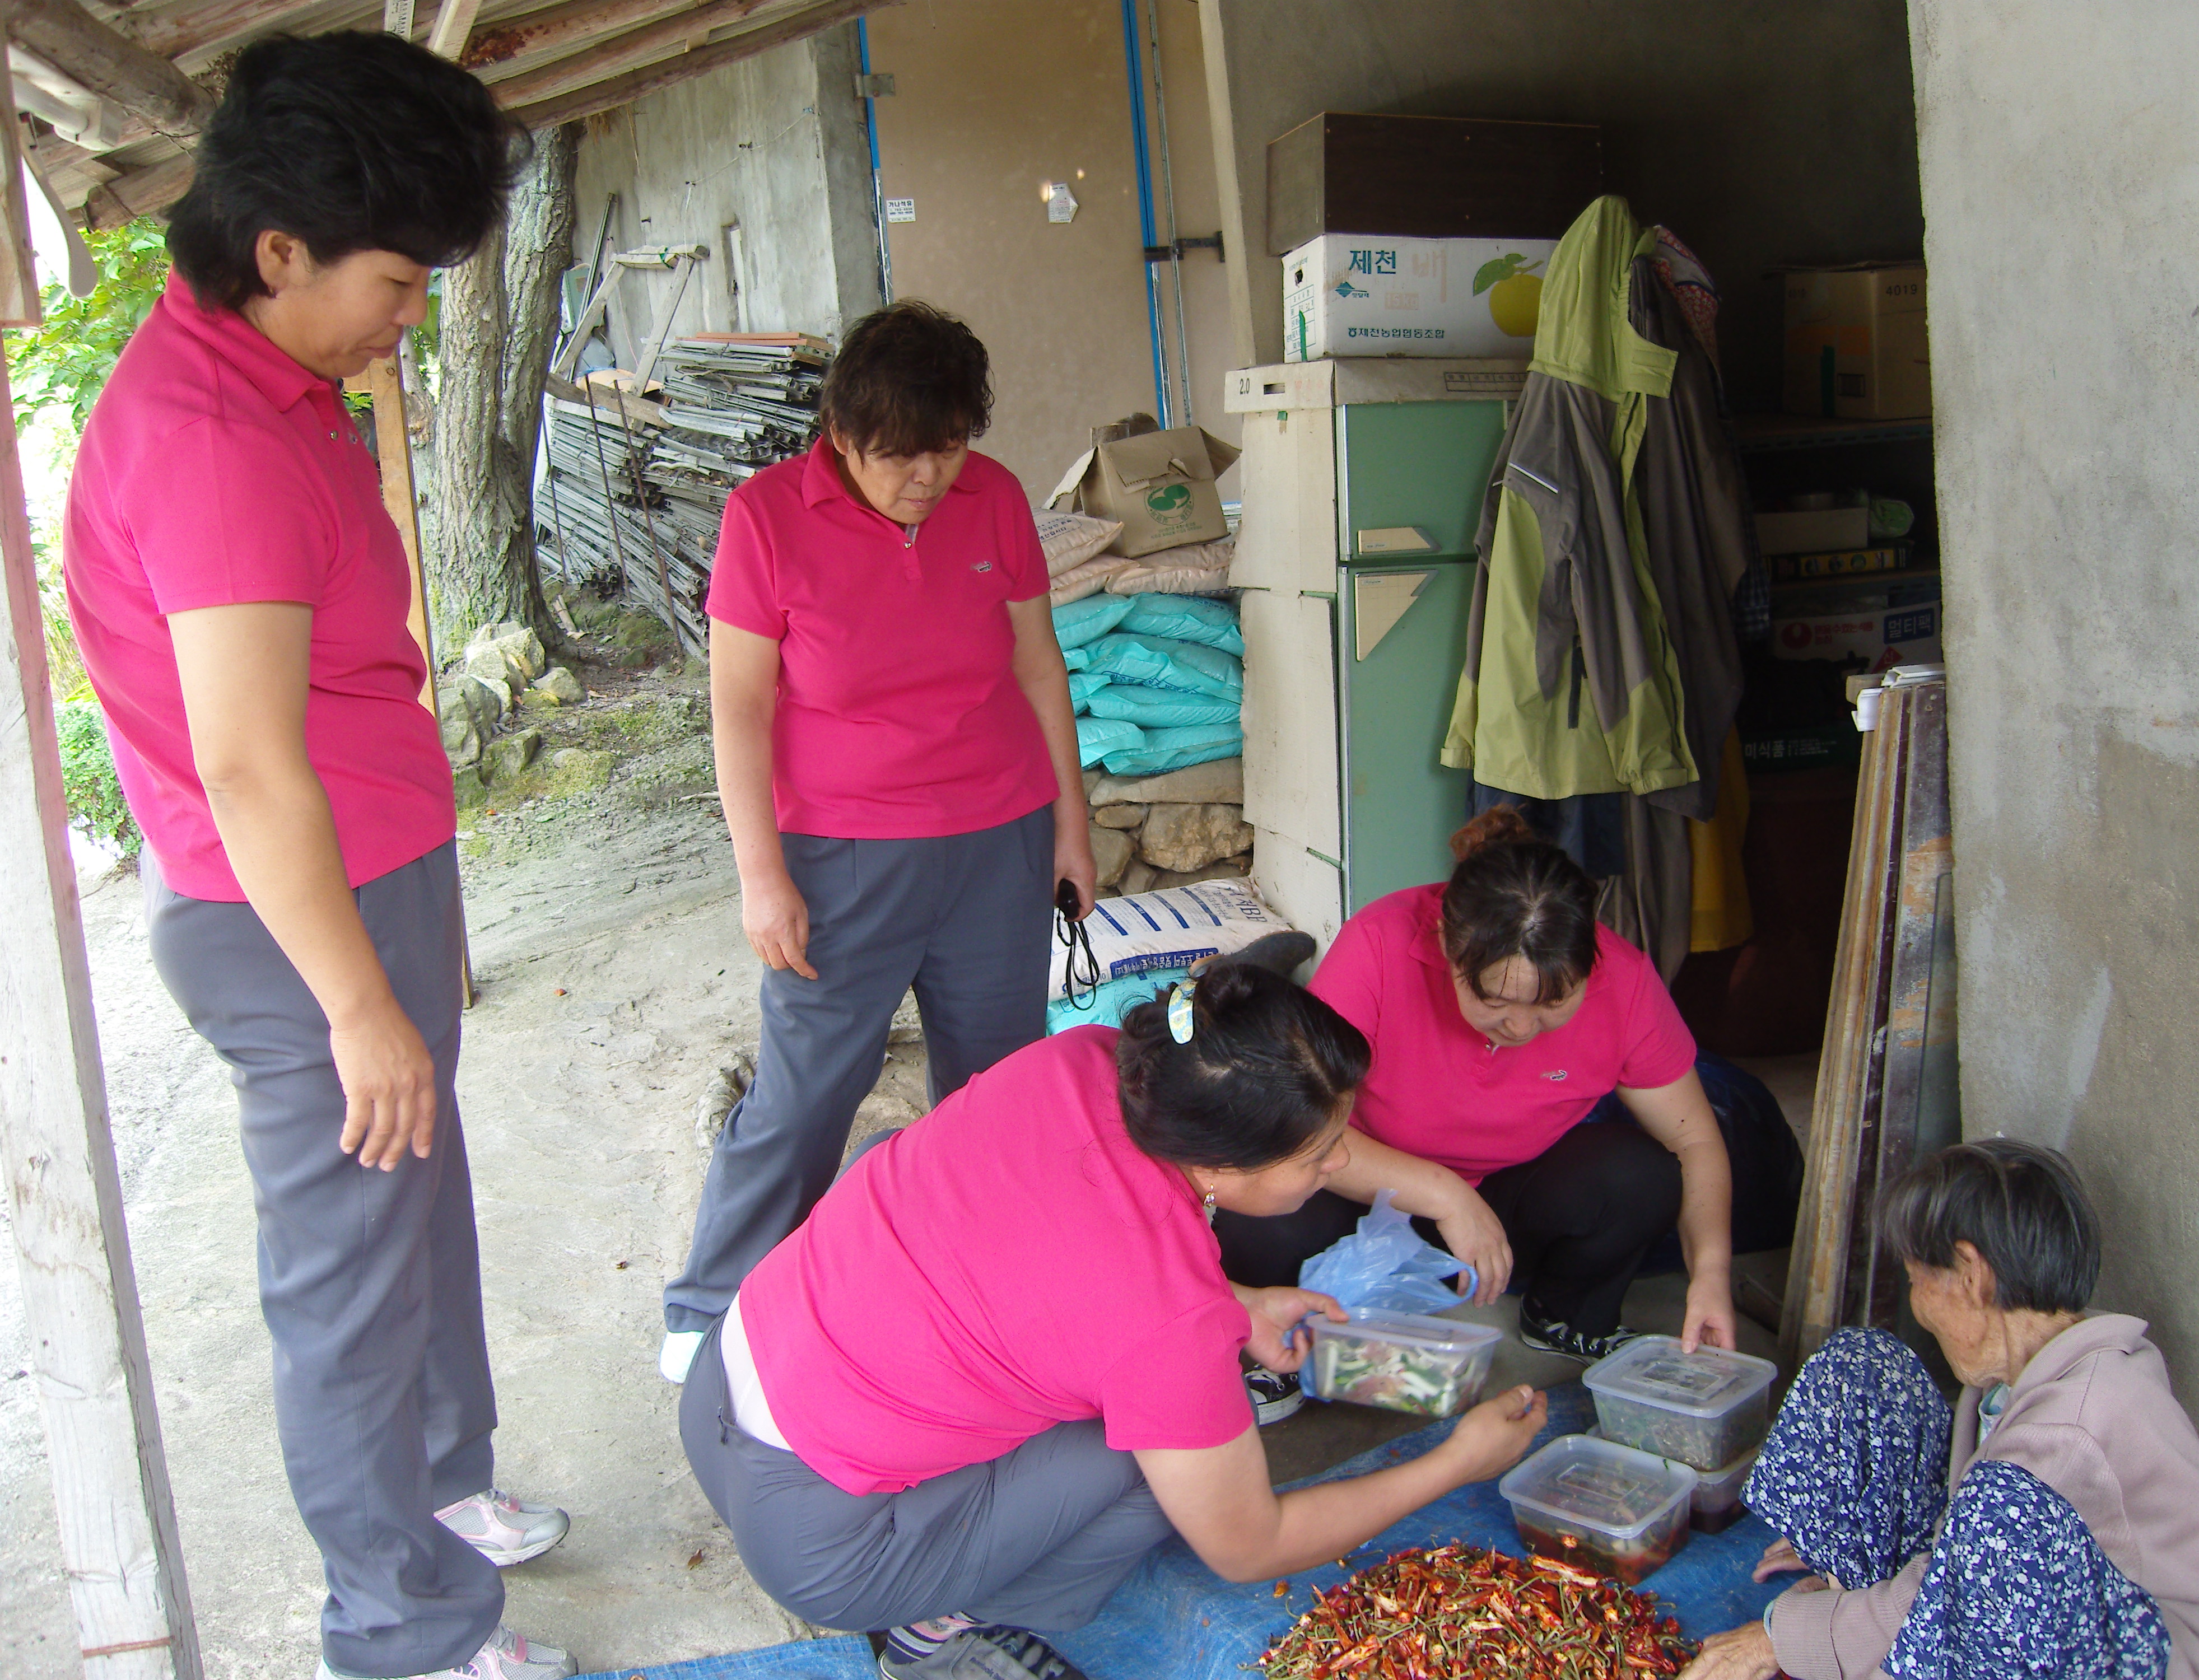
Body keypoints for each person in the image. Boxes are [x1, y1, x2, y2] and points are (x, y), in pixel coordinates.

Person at [61, 34, 572, 1680]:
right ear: (278, 251)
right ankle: (399, 1627)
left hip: (370, 872)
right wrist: (356, 1004)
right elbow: (243, 761)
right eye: (397, 283)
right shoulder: (210, 435)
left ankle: (444, 1486)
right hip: (298, 917)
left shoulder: (282, 382)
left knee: (418, 1205)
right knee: (350, 1272)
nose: (409, 317)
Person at [679, 964, 1551, 1680]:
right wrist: (1456, 1462)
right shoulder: (1170, 1322)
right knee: (1157, 1458)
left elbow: (1065, 1243)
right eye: (1319, 1156)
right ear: (1219, 1166)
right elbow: (1250, 1547)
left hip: (723, 1377)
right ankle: (938, 1631)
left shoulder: (1089, 1062)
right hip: (823, 1549)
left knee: (899, 1163)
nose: (1339, 1165)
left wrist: (1239, 1304)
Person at [661, 301, 1097, 1379]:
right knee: (809, 1087)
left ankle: (994, 1285)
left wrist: (1070, 827)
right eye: (900, 455)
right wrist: (761, 876)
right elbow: (739, 711)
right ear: (843, 435)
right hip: (842, 854)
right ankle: (713, 1306)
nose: (928, 477)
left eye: (947, 448)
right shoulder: (767, 518)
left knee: (999, 1084)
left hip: (997, 838)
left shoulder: (994, 499)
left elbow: (1039, 667)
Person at [1683, 1140, 2199, 1680]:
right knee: (1862, 1366)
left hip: (2157, 1659)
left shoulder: (2070, 1431)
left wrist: (1779, 1638)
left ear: (1972, 1274)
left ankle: (1858, 1638)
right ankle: (1849, 1604)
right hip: (2059, 1606)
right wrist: (1843, 1559)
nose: (1917, 1304)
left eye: (1915, 1281)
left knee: (1994, 1511)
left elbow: (1945, 1591)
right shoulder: (2029, 1369)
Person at [1215, 808, 1737, 1374]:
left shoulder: (1627, 982)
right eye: (1495, 1000)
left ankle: (1566, 1316)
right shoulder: (1381, 943)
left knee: (1640, 1175)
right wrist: (1444, 1195)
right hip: (1361, 1190)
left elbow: (1694, 1141)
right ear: (1448, 944)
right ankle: (1278, 1349)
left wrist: (1711, 1274)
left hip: (1504, 1208)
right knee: (1259, 1204)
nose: (1521, 1027)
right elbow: (1292, 1126)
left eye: (1554, 1002)